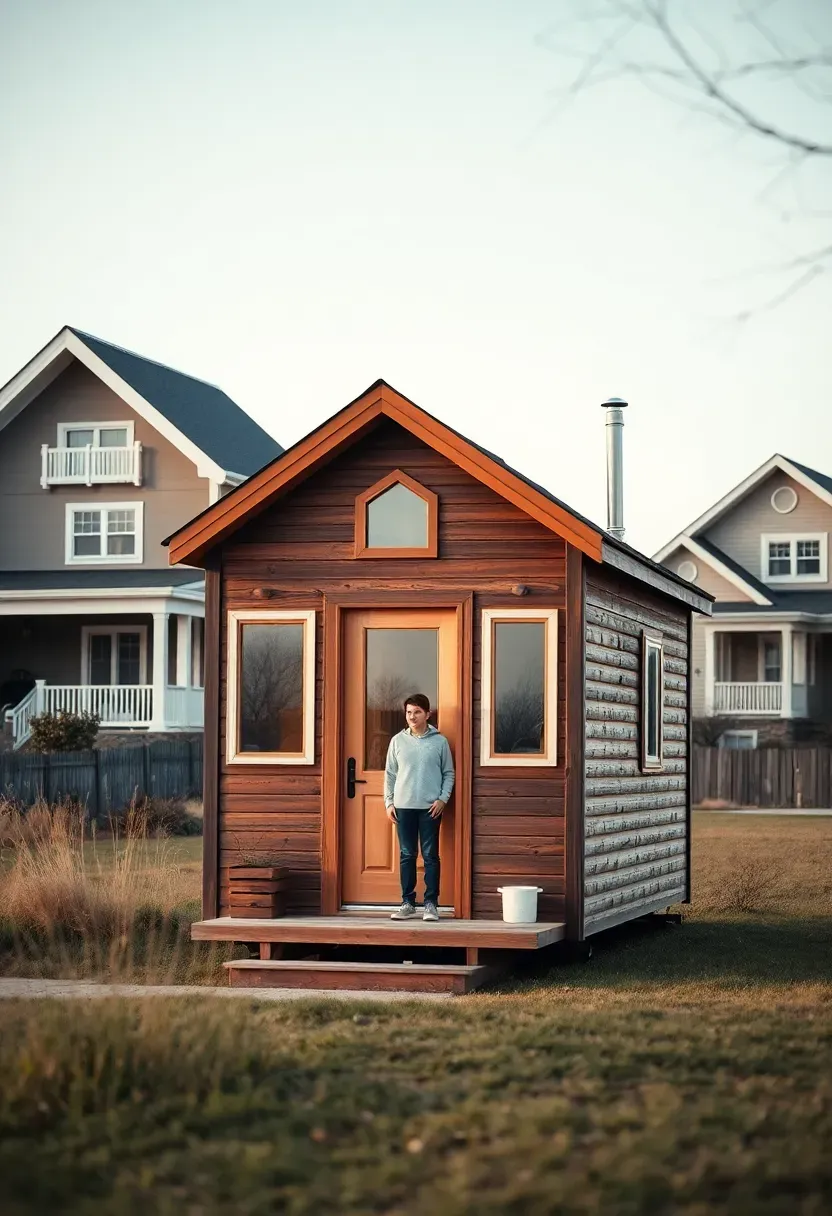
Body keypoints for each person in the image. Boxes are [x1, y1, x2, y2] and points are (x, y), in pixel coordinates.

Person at [384, 692, 455, 922]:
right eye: (408, 712)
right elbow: (390, 774)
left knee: (430, 856)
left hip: (430, 809)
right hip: (403, 808)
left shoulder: (440, 742)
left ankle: (431, 904)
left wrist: (443, 799)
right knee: (407, 855)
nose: (412, 717)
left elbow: (448, 773)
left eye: (417, 712)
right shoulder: (397, 741)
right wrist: (389, 802)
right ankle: (407, 903)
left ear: (427, 714)